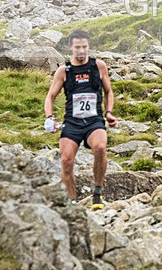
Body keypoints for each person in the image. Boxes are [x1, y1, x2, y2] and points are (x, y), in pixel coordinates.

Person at [44, 30, 117, 209]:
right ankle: (71, 203)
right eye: (78, 47)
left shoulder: (99, 66)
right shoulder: (64, 71)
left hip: (94, 121)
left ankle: (97, 194)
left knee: (100, 148)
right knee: (66, 160)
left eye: (84, 47)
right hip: (72, 122)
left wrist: (109, 112)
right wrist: (49, 117)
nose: (82, 51)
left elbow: (108, 91)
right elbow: (50, 96)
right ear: (70, 47)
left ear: (89, 46)